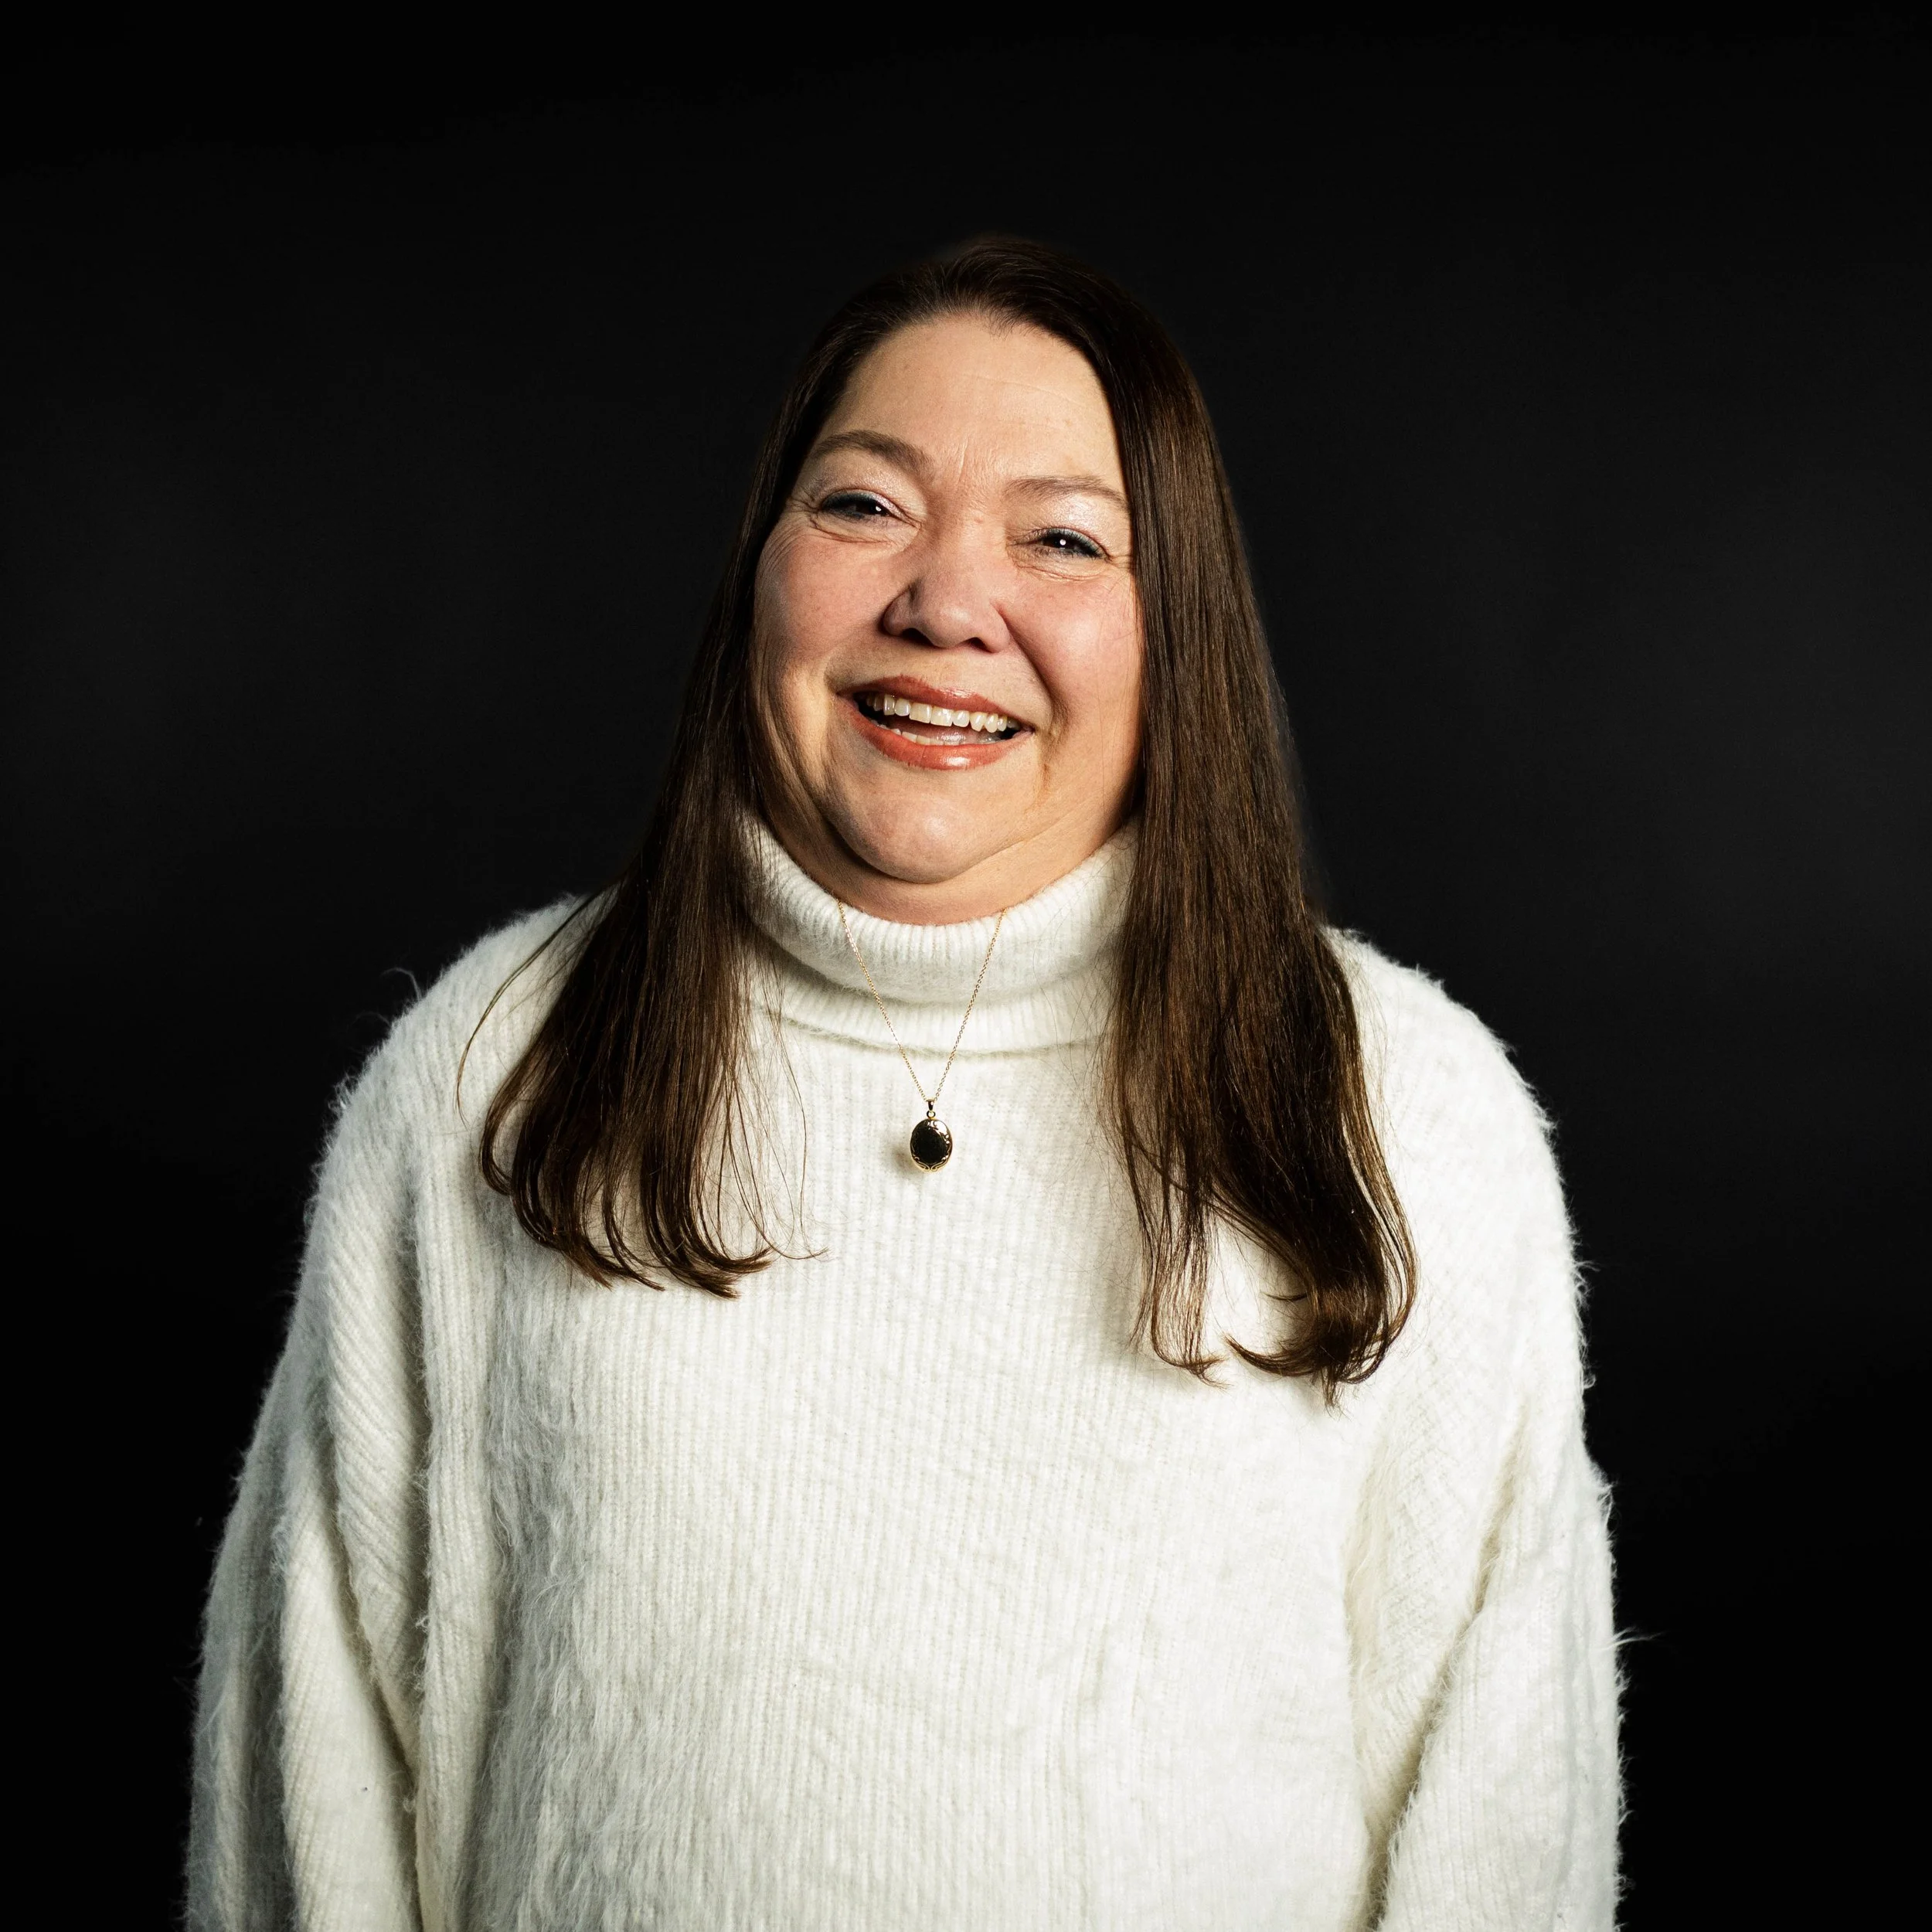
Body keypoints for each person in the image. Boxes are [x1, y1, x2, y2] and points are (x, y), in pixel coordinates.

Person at [188, 238, 1620, 1930]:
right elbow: (313, 1796)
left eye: (1064, 538)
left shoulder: (1405, 1116)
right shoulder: (490, 1075)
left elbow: (1494, 1821)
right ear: (759, 569)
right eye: (864, 506)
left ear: (1180, 637)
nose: (946, 601)